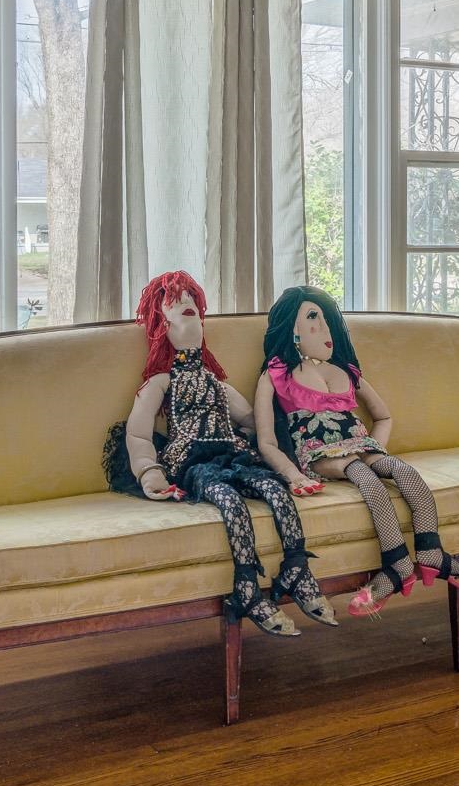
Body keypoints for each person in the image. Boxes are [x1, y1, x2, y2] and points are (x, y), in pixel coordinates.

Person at [105, 271, 336, 636]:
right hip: (194, 462)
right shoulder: (162, 382)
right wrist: (150, 471)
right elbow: (137, 432)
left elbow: (250, 419)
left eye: (193, 306)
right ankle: (246, 587)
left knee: (276, 490)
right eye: (178, 306)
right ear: (161, 325)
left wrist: (281, 426)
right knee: (230, 502)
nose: (189, 310)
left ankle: (297, 568)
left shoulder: (216, 382)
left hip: (232, 453)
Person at [255, 285, 459, 617]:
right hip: (319, 454)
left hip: (361, 445)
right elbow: (266, 441)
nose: (325, 327)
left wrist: (377, 449)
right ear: (292, 328)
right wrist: (294, 476)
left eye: (327, 319)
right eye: (313, 318)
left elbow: (383, 416)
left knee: (403, 471)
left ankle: (431, 552)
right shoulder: (276, 374)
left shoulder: (347, 372)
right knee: (366, 478)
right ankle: (397, 564)